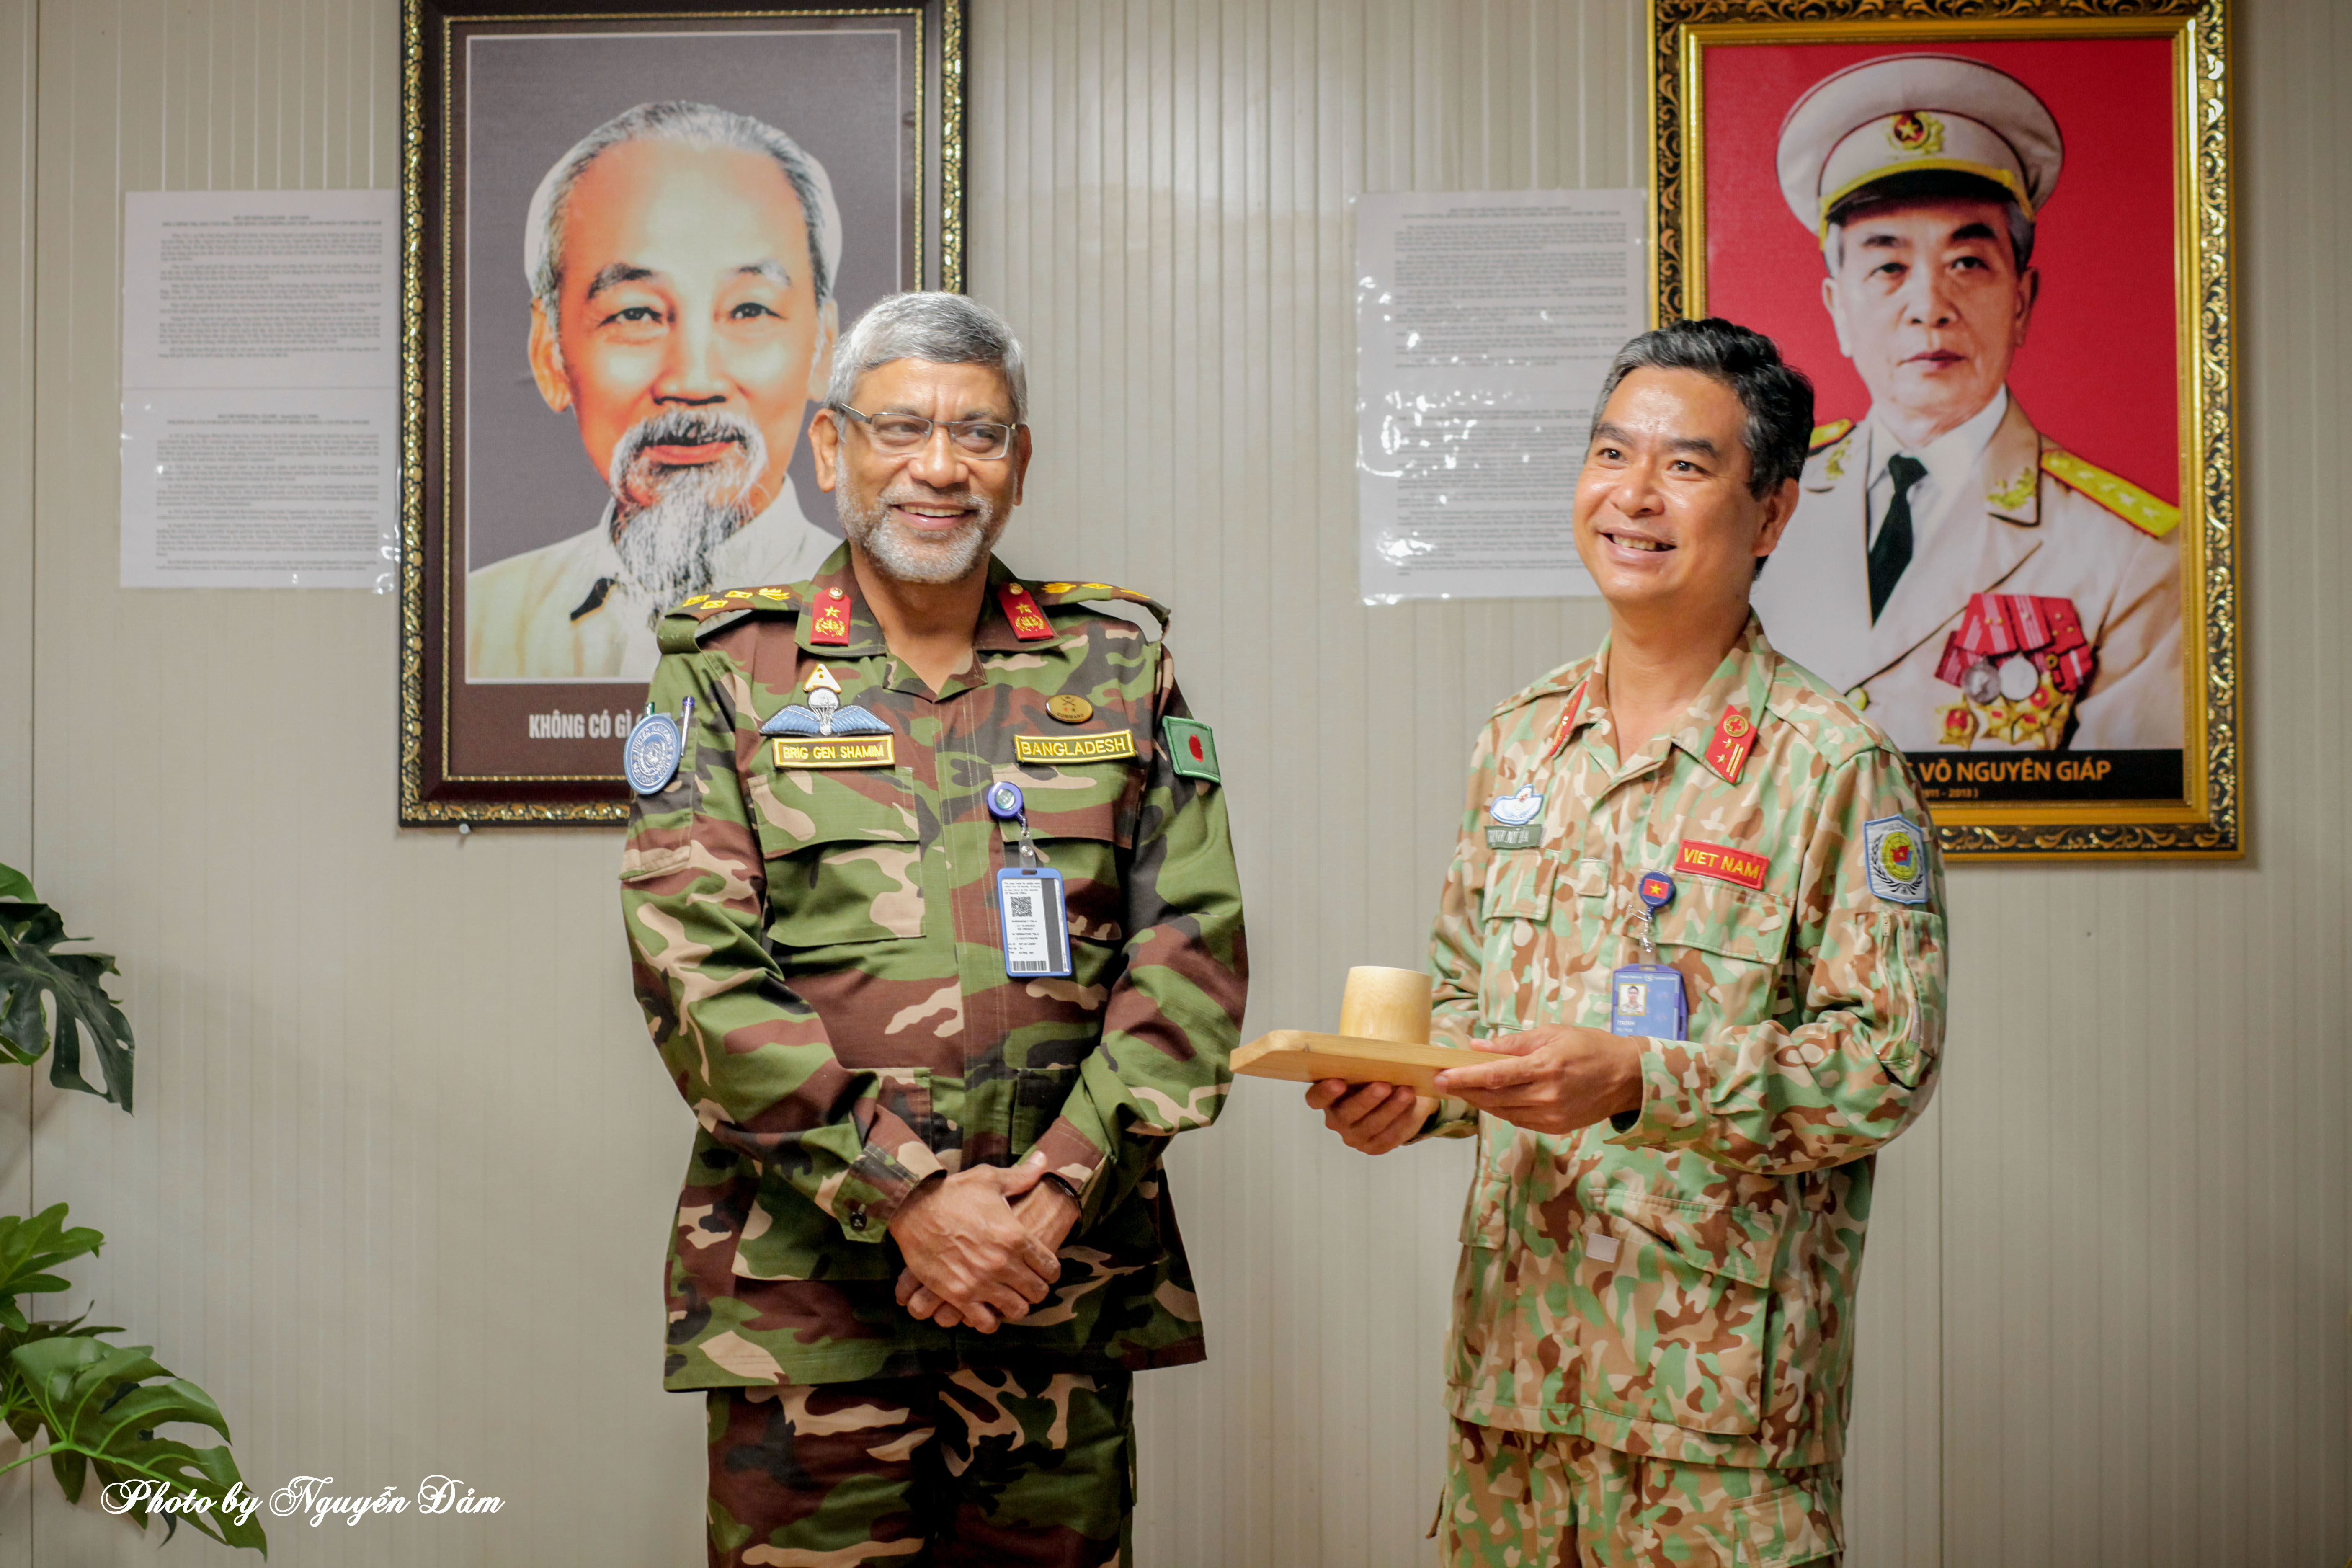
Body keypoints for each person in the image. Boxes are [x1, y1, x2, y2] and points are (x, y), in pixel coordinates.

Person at [620, 291, 1246, 1567]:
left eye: (981, 434)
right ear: (832, 450)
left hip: (1053, 1293)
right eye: (903, 429)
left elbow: (1190, 960)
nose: (942, 468)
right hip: (813, 1307)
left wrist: (1053, 1198)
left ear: (1022, 464)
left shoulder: (1118, 667)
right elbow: (698, 974)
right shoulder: (731, 672)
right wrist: (910, 1201)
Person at [1311, 320, 1946, 1567]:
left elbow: (1885, 1063)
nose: (1633, 497)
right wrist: (1410, 1093)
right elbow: (1466, 1003)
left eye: (1687, 467)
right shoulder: (1521, 740)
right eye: (1612, 454)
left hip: (1716, 1419)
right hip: (1515, 1386)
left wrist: (1643, 1082)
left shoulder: (1834, 767)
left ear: (1769, 515)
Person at [1752, 52, 2182, 753]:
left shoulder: (2132, 555)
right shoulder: (1760, 504)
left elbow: (2121, 812)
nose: (1929, 307)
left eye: (1967, 263)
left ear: (2022, 303)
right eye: (1888, 265)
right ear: (1837, 309)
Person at [467, 101, 845, 681]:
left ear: (822, 346)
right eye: (636, 314)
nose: (692, 382)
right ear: (549, 353)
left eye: (749, 310)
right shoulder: (476, 631)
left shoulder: (890, 626)